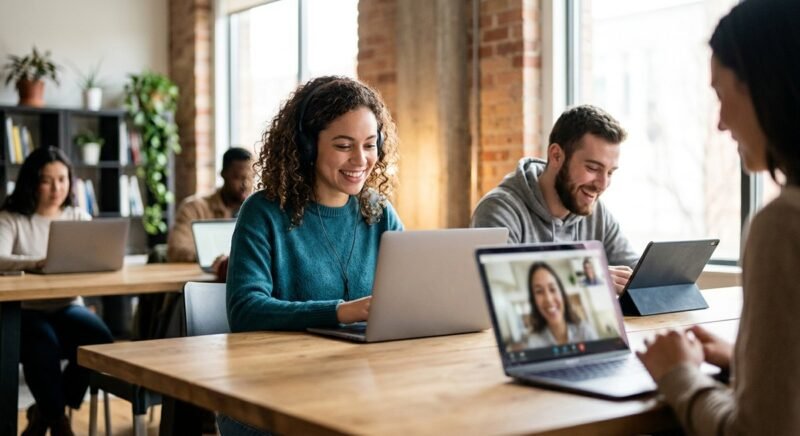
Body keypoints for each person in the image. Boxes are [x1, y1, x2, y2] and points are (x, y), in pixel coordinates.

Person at [637, 1, 800, 434]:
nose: (720, 123)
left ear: (766, 87)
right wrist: (746, 362)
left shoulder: (783, 227)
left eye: (721, 95)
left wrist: (678, 374)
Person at [220, 76, 403, 434]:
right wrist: (340, 311)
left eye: (369, 145)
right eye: (343, 145)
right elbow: (245, 309)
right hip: (272, 395)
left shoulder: (379, 212)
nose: (360, 159)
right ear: (307, 146)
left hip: (358, 388)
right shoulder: (264, 212)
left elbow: (408, 296)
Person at [0, 146, 113, 436]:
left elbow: (94, 257)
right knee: (43, 345)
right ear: (31, 181)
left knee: (100, 340)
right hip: (24, 309)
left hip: (67, 305)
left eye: (62, 179)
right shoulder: (12, 216)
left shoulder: (77, 215)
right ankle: (59, 422)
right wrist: (37, 262)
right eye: (47, 180)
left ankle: (47, 412)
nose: (56, 188)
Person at [471, 105, 637, 294]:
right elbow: (500, 286)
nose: (602, 184)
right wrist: (589, 275)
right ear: (556, 155)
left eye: (610, 172)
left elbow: (636, 273)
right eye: (592, 168)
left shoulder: (595, 212)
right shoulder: (499, 210)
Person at [166, 146, 254, 278]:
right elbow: (176, 249)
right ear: (223, 174)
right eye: (237, 177)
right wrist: (218, 260)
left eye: (250, 177)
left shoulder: (256, 211)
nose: (245, 184)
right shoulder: (194, 208)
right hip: (200, 283)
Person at [526, 262, 597, 347]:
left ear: (562, 294)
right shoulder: (534, 343)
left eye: (552, 289)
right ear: (534, 301)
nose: (548, 299)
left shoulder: (585, 331)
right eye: (539, 291)